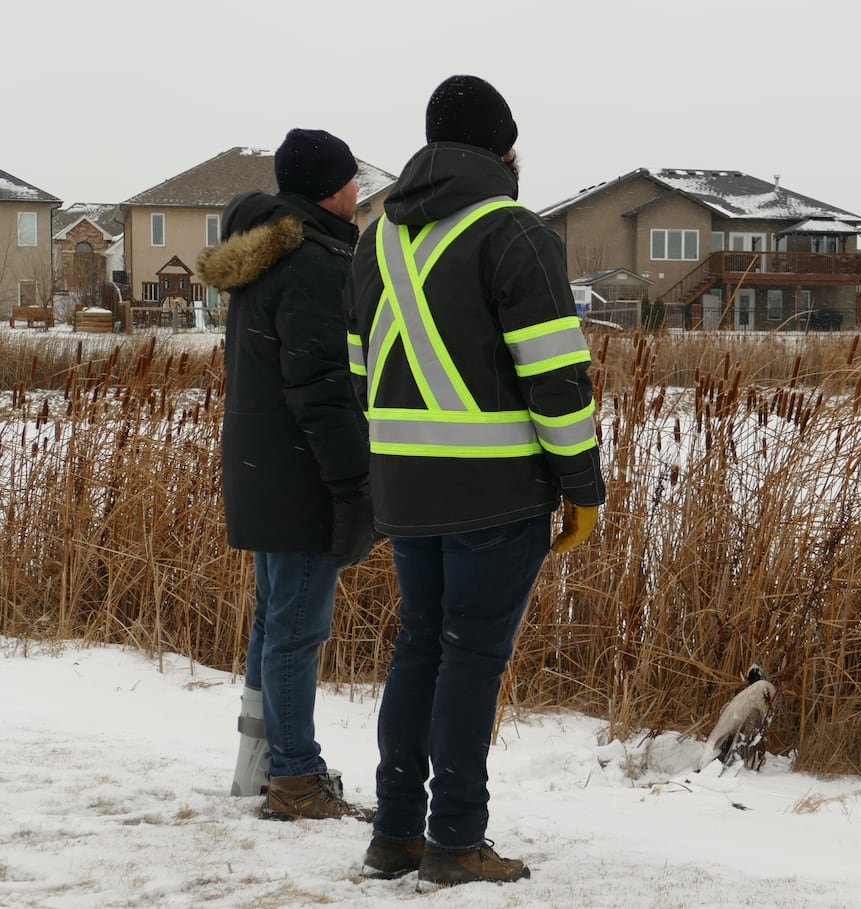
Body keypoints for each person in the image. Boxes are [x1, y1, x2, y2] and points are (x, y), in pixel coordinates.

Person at [344, 75, 605, 886]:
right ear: (503, 149)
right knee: (470, 660)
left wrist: (398, 465)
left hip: (407, 494)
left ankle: (396, 833)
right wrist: (584, 489)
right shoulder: (515, 233)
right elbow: (557, 378)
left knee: (419, 649)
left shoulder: (374, 240)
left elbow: (360, 373)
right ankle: (455, 840)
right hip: (495, 495)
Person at [198, 127, 377, 821]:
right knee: (297, 628)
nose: (359, 192)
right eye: (353, 181)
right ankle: (296, 776)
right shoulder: (313, 263)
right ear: (328, 189)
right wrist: (352, 484)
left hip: (263, 467)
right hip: (301, 475)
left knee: (275, 621)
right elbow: (323, 389)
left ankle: (263, 765)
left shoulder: (267, 252)